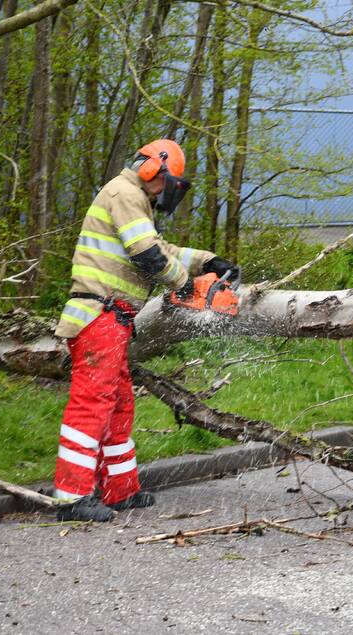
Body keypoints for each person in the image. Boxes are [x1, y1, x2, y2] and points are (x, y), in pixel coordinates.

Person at [51, 139, 238, 522]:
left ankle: (119, 490)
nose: (163, 192)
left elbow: (160, 246)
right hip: (99, 314)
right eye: (165, 184)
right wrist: (184, 284)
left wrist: (208, 262)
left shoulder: (133, 198)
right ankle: (71, 498)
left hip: (115, 319)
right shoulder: (123, 191)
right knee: (92, 402)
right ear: (154, 169)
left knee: (119, 402)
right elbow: (146, 254)